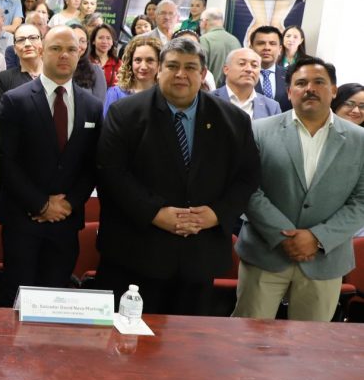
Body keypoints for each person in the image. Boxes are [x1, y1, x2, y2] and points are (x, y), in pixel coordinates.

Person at [96, 38, 260, 316]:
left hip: (199, 255)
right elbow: (111, 172)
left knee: (187, 340)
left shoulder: (233, 120)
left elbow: (248, 176)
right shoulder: (125, 113)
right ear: (159, 70)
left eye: (190, 67)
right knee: (128, 338)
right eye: (172, 66)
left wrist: (216, 214)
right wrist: (155, 213)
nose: (181, 74)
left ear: (203, 73)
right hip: (136, 252)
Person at [234, 57, 364, 321]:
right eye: (301, 83)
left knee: (310, 343)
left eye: (319, 82)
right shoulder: (258, 130)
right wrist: (284, 236)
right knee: (248, 338)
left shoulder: (359, 140)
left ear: (334, 90)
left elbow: (361, 200)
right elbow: (247, 189)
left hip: (325, 259)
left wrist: (317, 238)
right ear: (290, 91)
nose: (310, 89)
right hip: (265, 253)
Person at [0, 26, 101, 306]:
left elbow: (93, 165)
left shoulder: (92, 106)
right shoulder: (15, 100)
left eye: (71, 49)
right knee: (16, 303)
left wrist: (68, 204)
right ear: (42, 51)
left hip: (65, 224)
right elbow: (5, 161)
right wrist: (41, 204)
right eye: (56, 48)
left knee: (56, 303)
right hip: (23, 222)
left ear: (80, 54)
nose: (64, 55)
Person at [211, 48, 281, 120]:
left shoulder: (272, 107)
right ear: (226, 69)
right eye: (242, 64)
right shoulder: (208, 100)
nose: (249, 69)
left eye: (254, 65)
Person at [103, 36, 162, 116]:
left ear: (159, 63)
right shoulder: (115, 94)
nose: (143, 67)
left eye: (150, 60)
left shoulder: (166, 95)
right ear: (130, 62)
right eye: (138, 60)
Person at [0, 24, 43, 99]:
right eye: (21, 40)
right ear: (14, 49)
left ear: (42, 43)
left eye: (33, 38)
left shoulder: (57, 74)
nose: (27, 44)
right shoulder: (3, 79)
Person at [250, 25, 292, 111]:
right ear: (251, 48)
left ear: (280, 49)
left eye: (272, 44)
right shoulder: (240, 74)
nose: (267, 48)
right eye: (261, 43)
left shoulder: (290, 76)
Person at [198, 9, 241, 82]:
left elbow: (199, 69)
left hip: (209, 87)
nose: (199, 25)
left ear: (205, 22)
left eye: (200, 21)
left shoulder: (204, 40)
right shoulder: (235, 41)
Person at [69, 24, 107, 102]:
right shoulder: (55, 67)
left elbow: (99, 104)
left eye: (82, 41)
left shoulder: (95, 71)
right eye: (74, 39)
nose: (78, 44)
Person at [89, 23, 121, 88]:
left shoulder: (118, 63)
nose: (104, 41)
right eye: (101, 38)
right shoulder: (86, 61)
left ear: (112, 42)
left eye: (108, 38)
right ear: (93, 41)